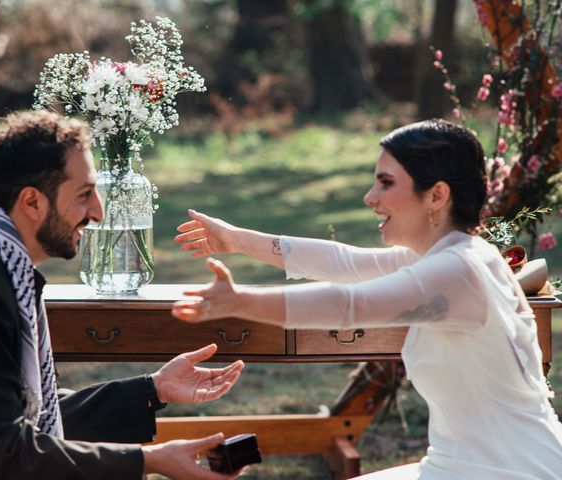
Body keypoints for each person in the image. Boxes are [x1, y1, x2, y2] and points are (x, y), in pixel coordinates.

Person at [172, 119, 562, 479]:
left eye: (386, 183)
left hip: (512, 470)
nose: (369, 197)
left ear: (437, 195)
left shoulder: (456, 270)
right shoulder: (455, 254)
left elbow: (348, 305)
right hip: (459, 465)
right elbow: (345, 262)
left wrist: (240, 301)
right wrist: (234, 239)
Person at [0, 110, 245, 480]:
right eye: (85, 194)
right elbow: (5, 449)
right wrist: (147, 461)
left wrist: (153, 390)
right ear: (31, 202)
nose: (97, 212)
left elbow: (33, 414)